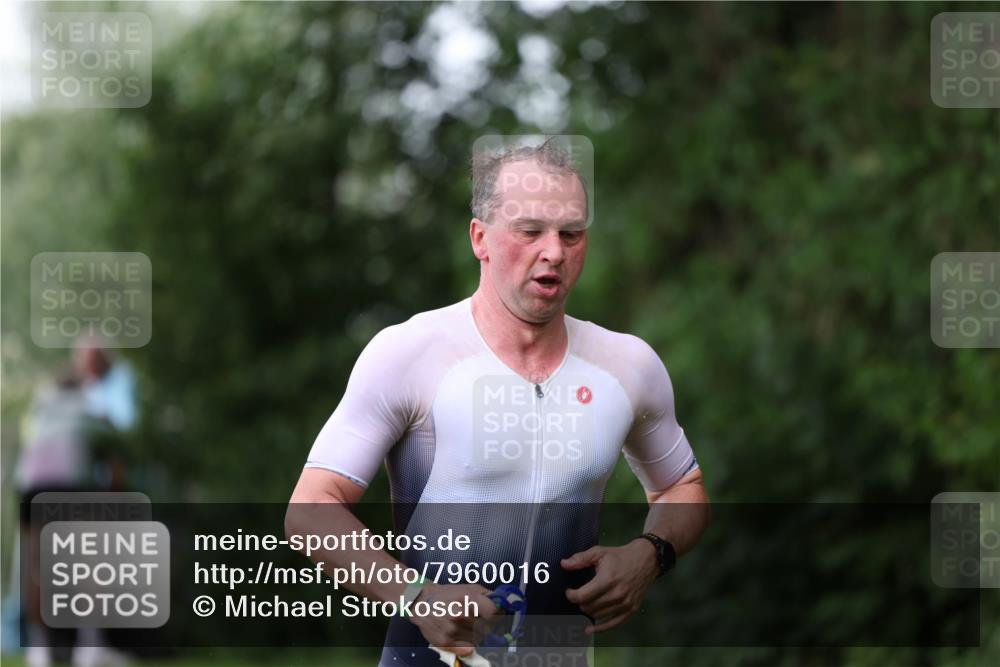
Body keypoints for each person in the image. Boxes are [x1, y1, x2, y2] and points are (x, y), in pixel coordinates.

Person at [287, 139, 711, 666]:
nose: (554, 250)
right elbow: (309, 511)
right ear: (480, 238)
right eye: (530, 231)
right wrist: (413, 595)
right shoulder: (411, 353)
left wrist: (651, 554)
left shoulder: (626, 365)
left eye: (571, 233)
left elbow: (681, 487)